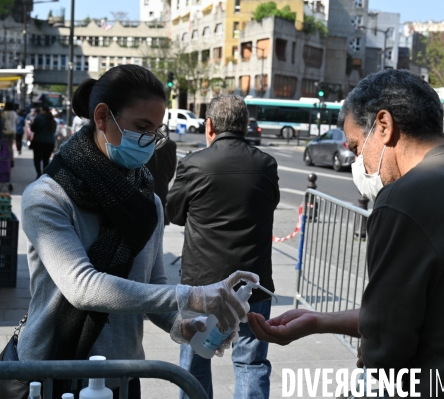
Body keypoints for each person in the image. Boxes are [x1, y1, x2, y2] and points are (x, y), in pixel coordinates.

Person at [248, 69, 444, 397]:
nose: (358, 162)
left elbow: (387, 348)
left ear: (384, 126)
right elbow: (426, 312)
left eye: (357, 147)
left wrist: (373, 350)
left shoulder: (406, 197)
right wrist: (319, 321)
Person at [18, 65, 254, 398]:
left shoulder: (148, 202)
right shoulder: (47, 197)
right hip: (53, 372)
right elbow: (83, 287)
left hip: (122, 374)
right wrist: (193, 296)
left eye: (156, 131)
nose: (148, 140)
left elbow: (152, 283)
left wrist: (181, 325)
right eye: (141, 126)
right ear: (102, 117)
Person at [167, 95, 280, 399]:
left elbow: (173, 213)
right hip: (251, 285)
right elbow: (271, 204)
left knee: (194, 360)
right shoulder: (266, 164)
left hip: (201, 285)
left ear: (210, 126)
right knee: (251, 363)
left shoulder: (193, 164)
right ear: (244, 125)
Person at [146, 138, 177, 225]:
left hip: (141, 195)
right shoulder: (170, 144)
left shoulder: (140, 140)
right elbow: (172, 171)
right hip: (161, 193)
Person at [30, 105, 57, 178]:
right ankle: (45, 174)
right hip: (50, 142)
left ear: (43, 111)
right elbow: (53, 131)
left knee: (37, 159)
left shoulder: (38, 119)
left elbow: (33, 129)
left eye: (41, 110)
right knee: (46, 159)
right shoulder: (53, 121)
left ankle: (39, 173)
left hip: (39, 141)